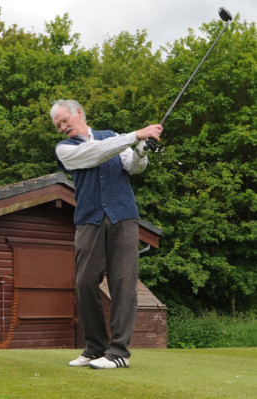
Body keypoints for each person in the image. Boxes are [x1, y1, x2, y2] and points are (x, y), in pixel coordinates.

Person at [51, 100, 161, 369]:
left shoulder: (111, 136)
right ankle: (95, 348)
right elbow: (96, 153)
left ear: (79, 113)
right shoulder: (65, 148)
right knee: (85, 282)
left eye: (65, 120)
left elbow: (133, 168)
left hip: (123, 216)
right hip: (89, 220)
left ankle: (118, 352)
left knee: (123, 283)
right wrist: (136, 136)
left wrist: (141, 152)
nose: (62, 127)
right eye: (58, 125)